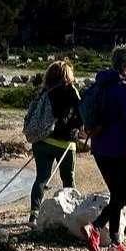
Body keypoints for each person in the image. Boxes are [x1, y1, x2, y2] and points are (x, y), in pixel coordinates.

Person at [82, 44, 126, 251]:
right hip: (121, 149)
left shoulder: (100, 85)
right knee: (122, 198)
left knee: (115, 196)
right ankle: (96, 227)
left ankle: (115, 243)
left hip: (99, 148)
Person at [26, 60, 82, 219]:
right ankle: (71, 215)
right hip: (64, 143)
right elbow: (81, 115)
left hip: (41, 141)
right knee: (68, 180)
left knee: (41, 179)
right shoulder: (71, 91)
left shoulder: (44, 92)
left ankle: (33, 215)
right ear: (68, 75)